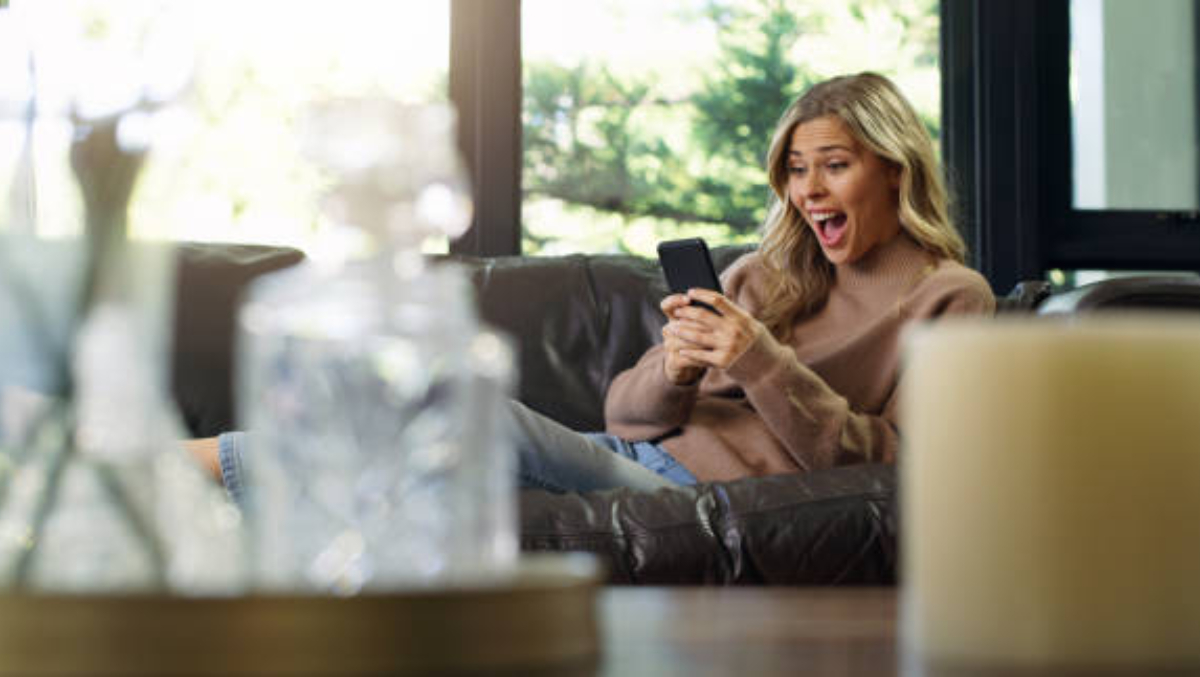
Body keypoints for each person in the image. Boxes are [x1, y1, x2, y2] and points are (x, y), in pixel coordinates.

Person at [188, 71, 994, 498]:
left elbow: (895, 466)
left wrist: (759, 362)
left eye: (834, 166)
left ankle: (171, 467)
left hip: (700, 496)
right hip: (631, 459)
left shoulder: (950, 298)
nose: (808, 191)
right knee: (404, 446)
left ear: (894, 169)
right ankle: (177, 480)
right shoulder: (765, 274)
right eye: (795, 170)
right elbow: (625, 416)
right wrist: (675, 367)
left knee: (467, 415)